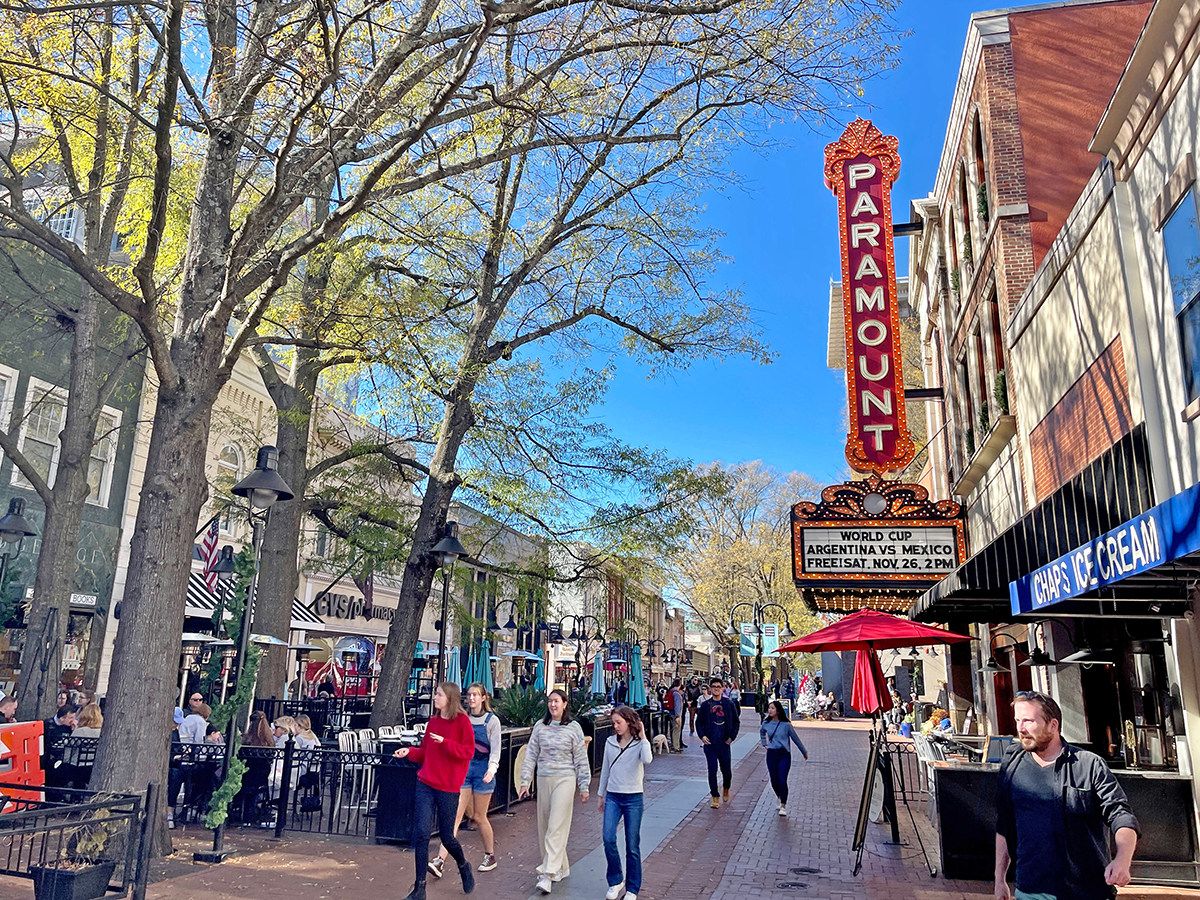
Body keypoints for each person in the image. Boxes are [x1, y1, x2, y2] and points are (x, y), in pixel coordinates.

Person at [995, 691, 1139, 900]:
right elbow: (1004, 825)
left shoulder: (1088, 765)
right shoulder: (1012, 764)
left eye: (1028, 721)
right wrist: (999, 880)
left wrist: (1123, 860)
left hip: (1085, 891)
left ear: (1053, 725)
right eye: (1018, 720)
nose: (1020, 729)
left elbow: (1121, 815)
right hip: (1030, 889)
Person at [392, 682, 476, 900]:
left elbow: (467, 752)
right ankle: (419, 888)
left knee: (447, 837)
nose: (435, 698)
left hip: (448, 786)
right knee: (421, 834)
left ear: (449, 698)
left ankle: (463, 865)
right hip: (426, 782)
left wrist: (445, 742)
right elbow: (424, 753)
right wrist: (408, 751)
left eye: (438, 694)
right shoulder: (433, 722)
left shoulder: (462, 722)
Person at [519, 688, 590, 895]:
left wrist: (584, 786)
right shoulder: (540, 727)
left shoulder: (574, 728)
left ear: (565, 703)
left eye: (557, 701)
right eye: (550, 701)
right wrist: (525, 781)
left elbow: (581, 759)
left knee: (555, 825)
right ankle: (561, 867)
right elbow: (530, 755)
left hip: (565, 780)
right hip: (544, 779)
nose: (553, 705)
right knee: (545, 826)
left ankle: (547, 874)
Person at [430, 682, 502, 877]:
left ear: (483, 698)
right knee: (455, 816)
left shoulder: (491, 721)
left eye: (475, 695)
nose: (471, 699)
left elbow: (495, 749)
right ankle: (440, 860)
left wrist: (492, 769)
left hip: (482, 772)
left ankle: (490, 854)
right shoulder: (463, 719)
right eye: (469, 695)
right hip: (464, 771)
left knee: (479, 816)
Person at [597, 706, 652, 900]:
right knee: (608, 837)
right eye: (614, 723)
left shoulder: (639, 744)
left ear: (629, 722)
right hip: (613, 795)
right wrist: (600, 794)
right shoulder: (610, 742)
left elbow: (647, 759)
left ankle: (632, 888)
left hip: (633, 797)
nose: (616, 726)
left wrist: (643, 735)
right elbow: (605, 769)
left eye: (619, 722)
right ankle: (615, 880)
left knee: (632, 844)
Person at [697, 676, 739, 809]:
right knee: (712, 770)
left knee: (726, 770)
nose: (716, 689)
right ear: (710, 689)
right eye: (713, 687)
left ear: (722, 689)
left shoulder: (728, 704)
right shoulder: (705, 705)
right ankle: (715, 796)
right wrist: (702, 736)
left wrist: (731, 737)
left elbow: (736, 722)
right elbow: (699, 722)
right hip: (710, 744)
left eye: (718, 687)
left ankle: (726, 787)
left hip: (724, 743)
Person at [760, 700, 807, 816]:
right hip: (771, 754)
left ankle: (783, 805)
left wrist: (804, 751)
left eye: (772, 708)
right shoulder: (766, 723)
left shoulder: (786, 725)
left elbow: (795, 739)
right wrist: (764, 743)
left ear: (778, 710)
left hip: (783, 754)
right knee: (774, 780)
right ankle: (779, 796)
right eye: (769, 708)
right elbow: (762, 732)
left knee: (782, 779)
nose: (770, 710)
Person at [42, 705, 77, 789]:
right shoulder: (46, 724)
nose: (73, 720)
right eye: (70, 718)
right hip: (48, 758)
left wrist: (75, 731)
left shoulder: (70, 727)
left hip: (64, 758)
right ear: (62, 719)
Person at [667, 679, 685, 752]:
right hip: (675, 714)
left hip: (671, 713)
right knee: (676, 730)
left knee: (674, 729)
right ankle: (675, 747)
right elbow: (677, 706)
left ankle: (675, 745)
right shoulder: (676, 694)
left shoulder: (671, 691)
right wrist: (678, 716)